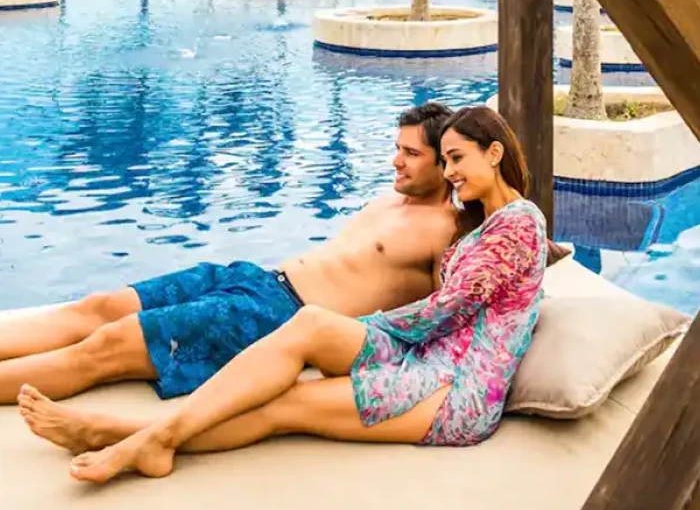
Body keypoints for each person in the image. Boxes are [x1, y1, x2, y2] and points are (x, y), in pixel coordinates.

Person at [19, 105, 549, 484]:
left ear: (494, 152)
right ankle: (142, 438)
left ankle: (129, 436)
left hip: (456, 389)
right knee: (312, 325)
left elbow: (449, 308)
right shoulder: (484, 227)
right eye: (449, 161)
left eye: (457, 159)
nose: (453, 174)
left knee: (283, 405)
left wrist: (370, 324)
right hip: (413, 352)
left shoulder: (519, 222)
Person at [0, 103, 459, 404]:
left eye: (411, 153)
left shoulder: (447, 232)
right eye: (397, 149)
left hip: (273, 316)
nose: (396, 161)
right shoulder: (389, 201)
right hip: (253, 278)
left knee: (107, 347)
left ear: (447, 160)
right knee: (98, 307)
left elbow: (447, 315)